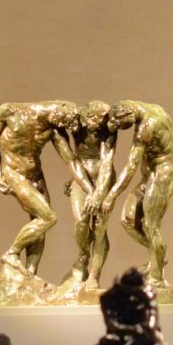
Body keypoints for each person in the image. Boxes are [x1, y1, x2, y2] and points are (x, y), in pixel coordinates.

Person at [0, 101, 83, 275]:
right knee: (47, 218)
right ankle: (12, 252)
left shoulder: (53, 128)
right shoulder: (10, 112)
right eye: (63, 122)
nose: (61, 126)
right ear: (58, 109)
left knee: (39, 225)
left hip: (36, 174)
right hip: (14, 173)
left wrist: (83, 184)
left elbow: (69, 159)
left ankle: (30, 273)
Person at [104, 101, 173, 294]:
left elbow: (130, 166)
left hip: (160, 174)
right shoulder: (156, 108)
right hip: (150, 174)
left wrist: (111, 195)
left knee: (151, 225)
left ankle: (157, 278)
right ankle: (157, 256)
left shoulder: (147, 125)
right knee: (127, 219)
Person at [62, 101, 120, 291]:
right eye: (95, 120)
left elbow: (106, 162)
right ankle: (83, 256)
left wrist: (100, 193)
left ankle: (94, 275)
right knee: (80, 221)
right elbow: (69, 154)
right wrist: (78, 181)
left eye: (102, 121)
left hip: (104, 179)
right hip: (81, 176)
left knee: (99, 228)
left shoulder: (108, 129)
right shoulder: (75, 120)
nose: (99, 124)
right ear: (86, 117)